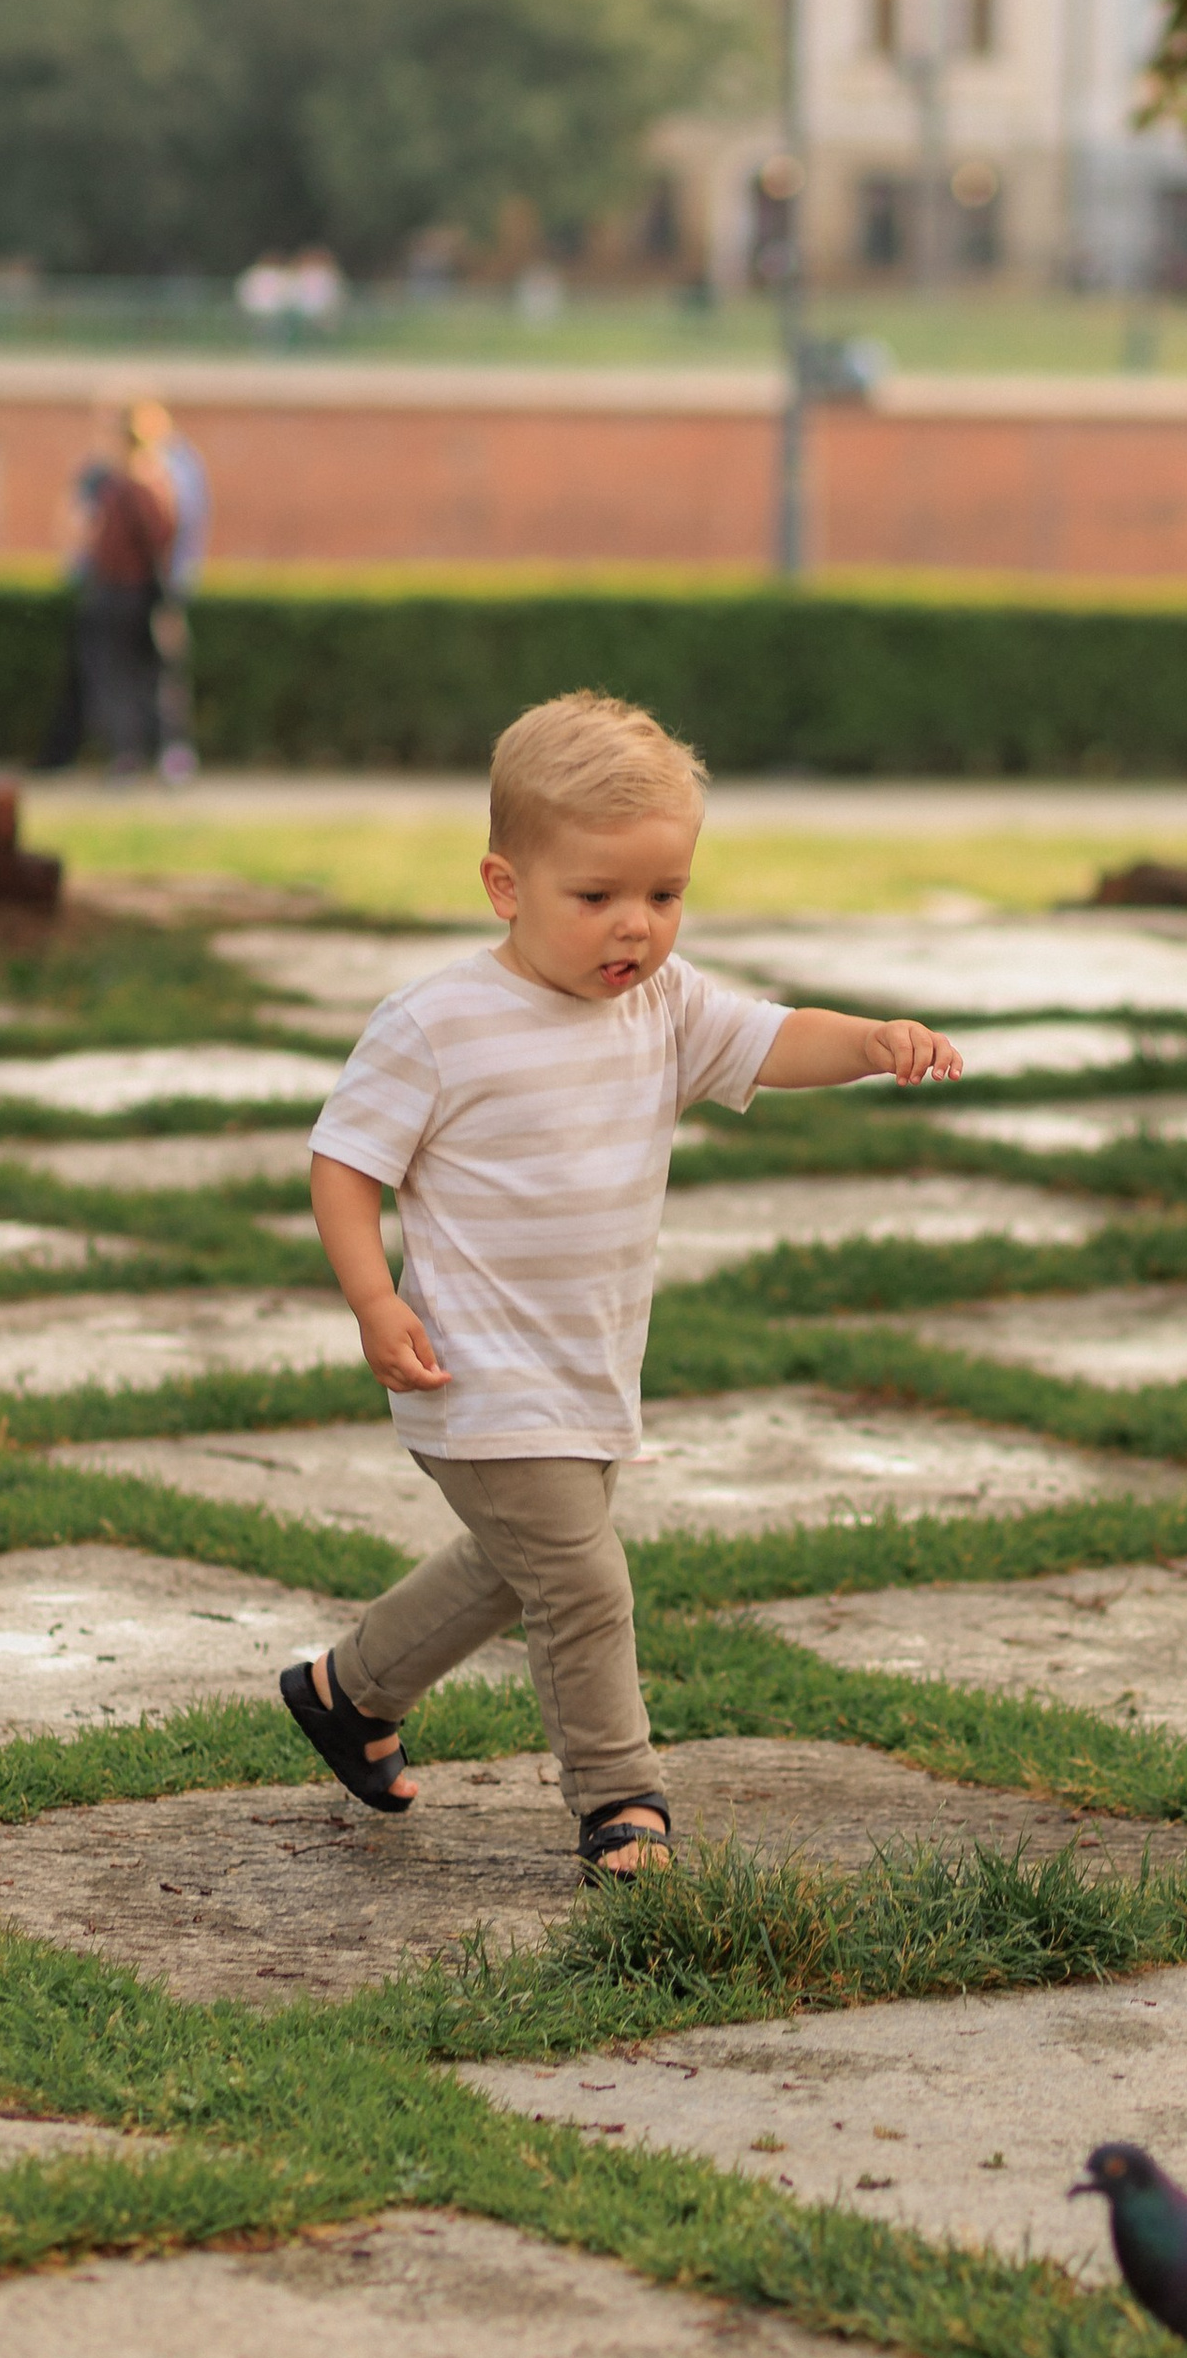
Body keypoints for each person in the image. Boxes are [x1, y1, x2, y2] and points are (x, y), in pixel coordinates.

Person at [281, 689, 964, 1880]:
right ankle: (619, 1798)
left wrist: (869, 1042)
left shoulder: (664, 1001)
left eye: (664, 895)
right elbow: (344, 1162)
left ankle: (349, 1692)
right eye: (594, 897)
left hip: (588, 1367)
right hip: (475, 1372)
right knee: (584, 1584)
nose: (633, 928)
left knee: (517, 1563)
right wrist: (372, 1301)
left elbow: (771, 1037)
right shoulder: (440, 1024)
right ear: (506, 887)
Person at [69, 407, 179, 776]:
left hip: (126, 591)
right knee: (127, 675)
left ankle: (134, 754)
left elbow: (155, 539)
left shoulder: (136, 485)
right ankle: (134, 753)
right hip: (122, 590)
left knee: (127, 676)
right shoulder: (136, 483)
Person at [129, 395, 210, 784]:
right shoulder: (174, 466)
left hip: (164, 586)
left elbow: (177, 529)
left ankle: (174, 753)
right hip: (158, 584)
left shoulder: (166, 469)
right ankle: (158, 752)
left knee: (166, 669)